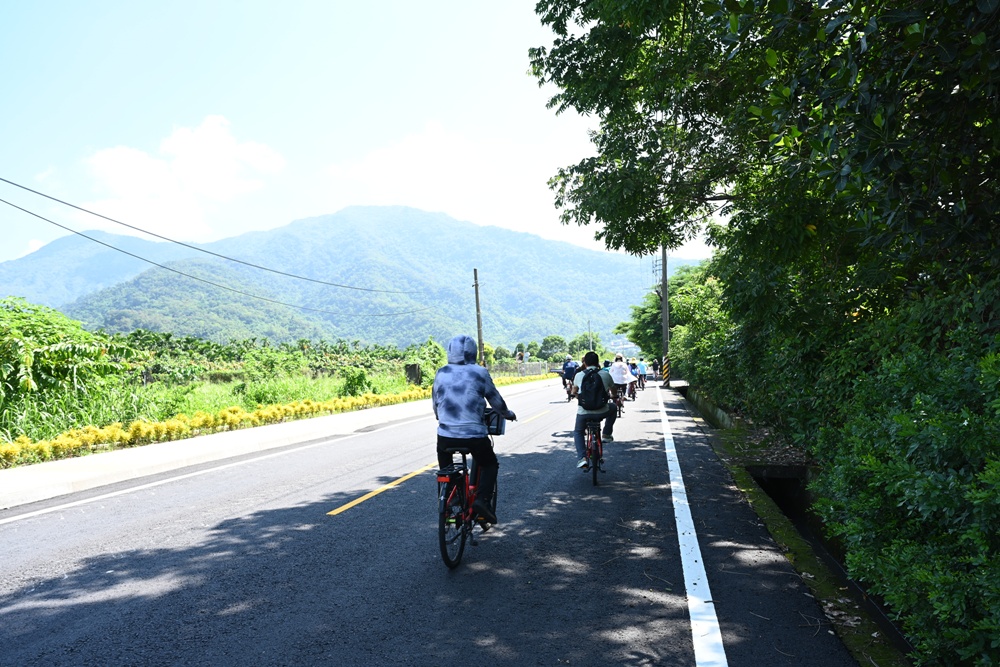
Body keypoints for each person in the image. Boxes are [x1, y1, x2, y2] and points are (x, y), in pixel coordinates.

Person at [433, 335, 516, 525]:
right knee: (490, 464)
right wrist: (507, 414)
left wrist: (444, 419)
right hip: (475, 436)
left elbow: (436, 406)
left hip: (446, 436)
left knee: (445, 466)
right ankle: (481, 501)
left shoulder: (441, 372)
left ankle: (451, 499)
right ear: (474, 352)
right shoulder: (480, 372)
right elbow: (496, 402)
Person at [569, 351, 618, 469]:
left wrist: (578, 396)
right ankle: (606, 434)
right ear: (598, 362)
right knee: (614, 407)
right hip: (602, 410)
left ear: (585, 363)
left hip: (584, 413)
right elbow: (613, 390)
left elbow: (574, 392)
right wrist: (613, 396)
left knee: (578, 432)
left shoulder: (579, 375)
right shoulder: (605, 374)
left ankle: (582, 457)